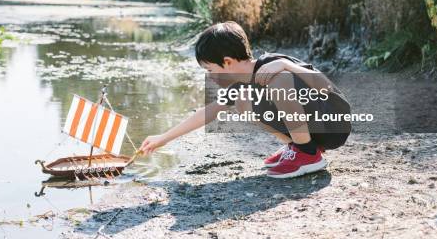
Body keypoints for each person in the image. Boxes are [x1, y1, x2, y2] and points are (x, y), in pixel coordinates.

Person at [139, 21, 351, 178]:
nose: (210, 76)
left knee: (279, 81)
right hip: (318, 130)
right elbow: (209, 111)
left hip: (333, 122)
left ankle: (307, 154)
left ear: (227, 62)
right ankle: (298, 147)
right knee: (243, 101)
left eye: (210, 70)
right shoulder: (241, 83)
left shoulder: (271, 65)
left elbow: (326, 87)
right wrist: (163, 138)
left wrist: (287, 66)